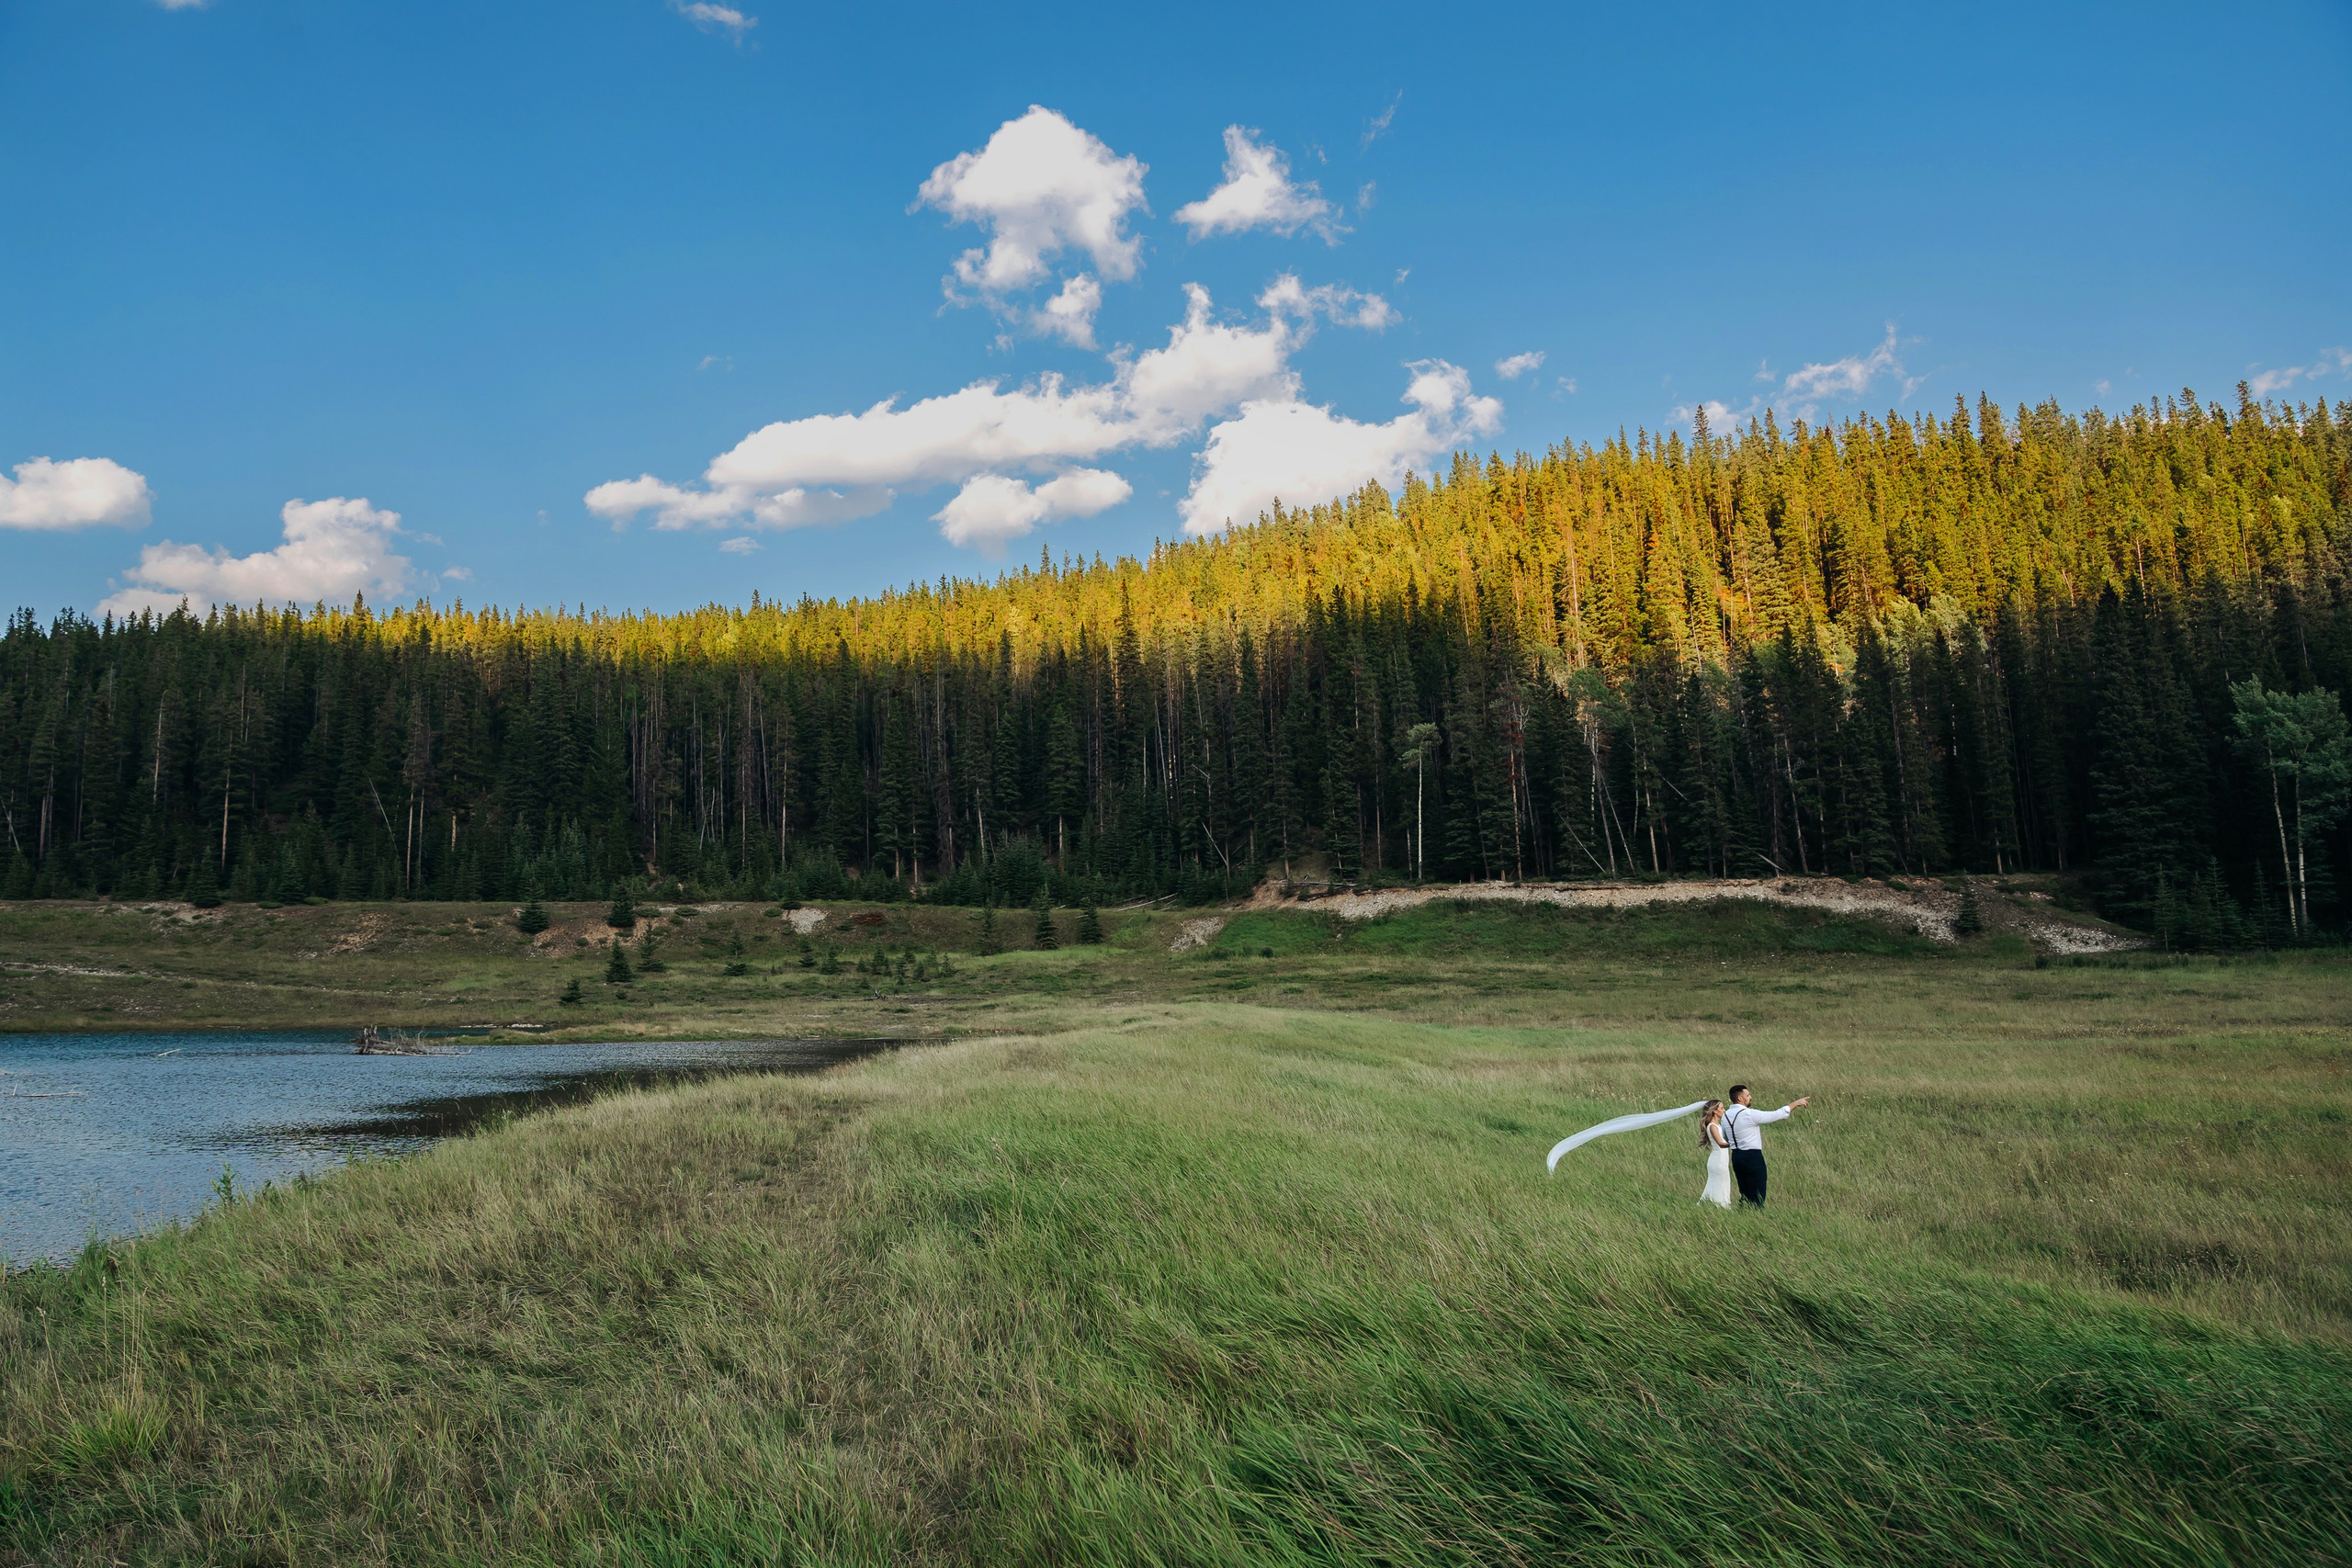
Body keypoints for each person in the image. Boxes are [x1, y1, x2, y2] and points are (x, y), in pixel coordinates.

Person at [1723, 1084, 1809, 1206]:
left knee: (1745, 1192)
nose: (1750, 1097)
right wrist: (1795, 1103)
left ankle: (1744, 1213)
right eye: (1747, 1095)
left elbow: (1725, 1137)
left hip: (1736, 1157)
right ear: (1740, 1099)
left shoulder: (1725, 1116)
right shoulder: (1748, 1114)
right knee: (1758, 1192)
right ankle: (1755, 1216)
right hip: (1752, 1156)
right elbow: (1776, 1115)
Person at [1698, 1100, 1733, 1208]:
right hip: (1718, 1160)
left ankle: (1715, 1205)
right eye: (1721, 1108)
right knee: (1721, 1183)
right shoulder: (1712, 1126)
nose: (1724, 1110)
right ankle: (1722, 1206)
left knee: (1721, 1183)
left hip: (1720, 1159)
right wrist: (1736, 1144)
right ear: (1714, 1111)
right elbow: (1721, 1144)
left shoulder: (1717, 1125)